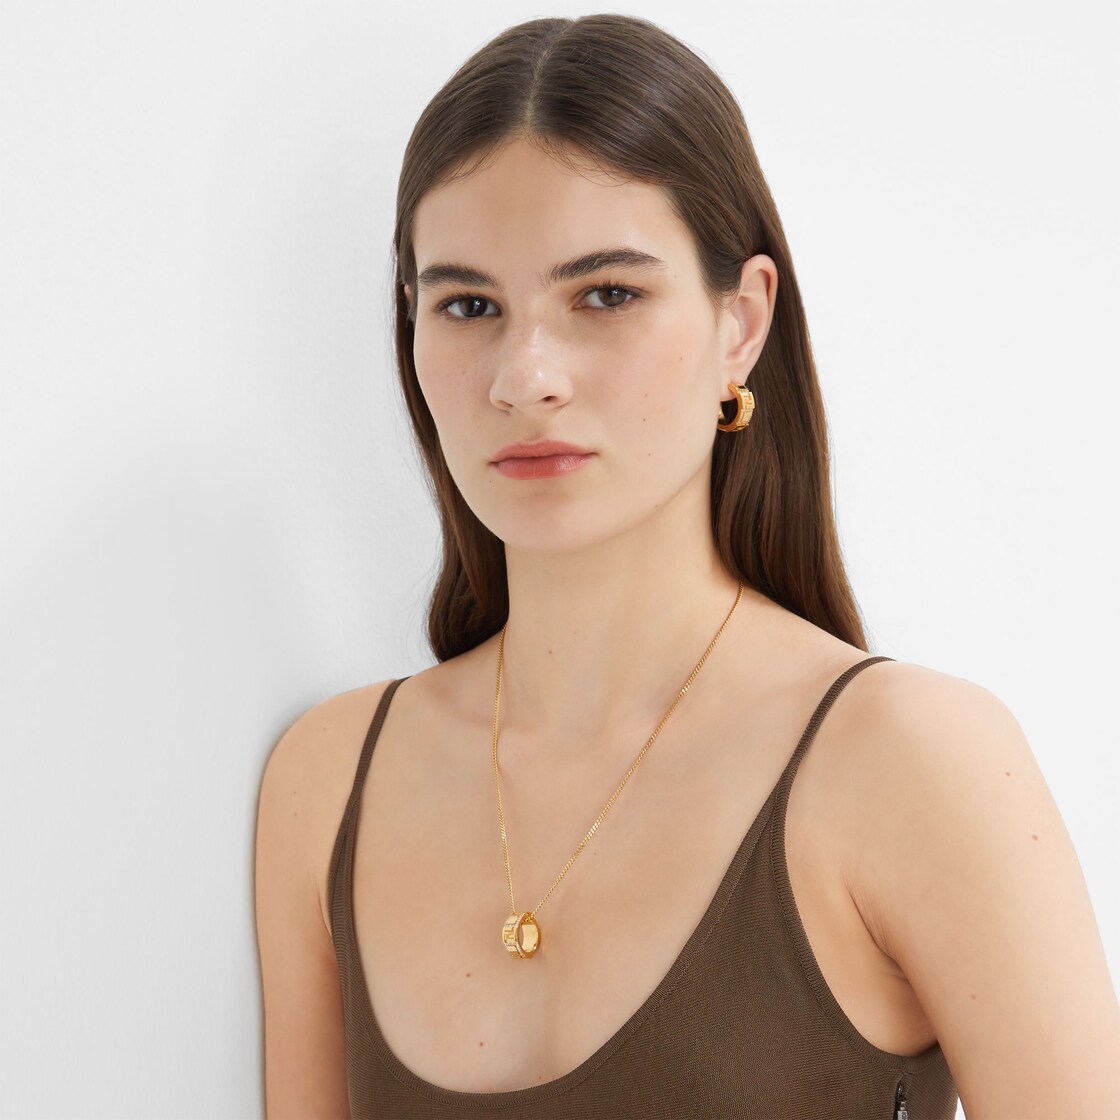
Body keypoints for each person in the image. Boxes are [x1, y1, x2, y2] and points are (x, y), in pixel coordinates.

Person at [254, 14, 1120, 1118]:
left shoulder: (908, 761)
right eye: (468, 305)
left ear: (741, 323)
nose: (525, 376)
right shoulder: (329, 780)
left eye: (605, 294)